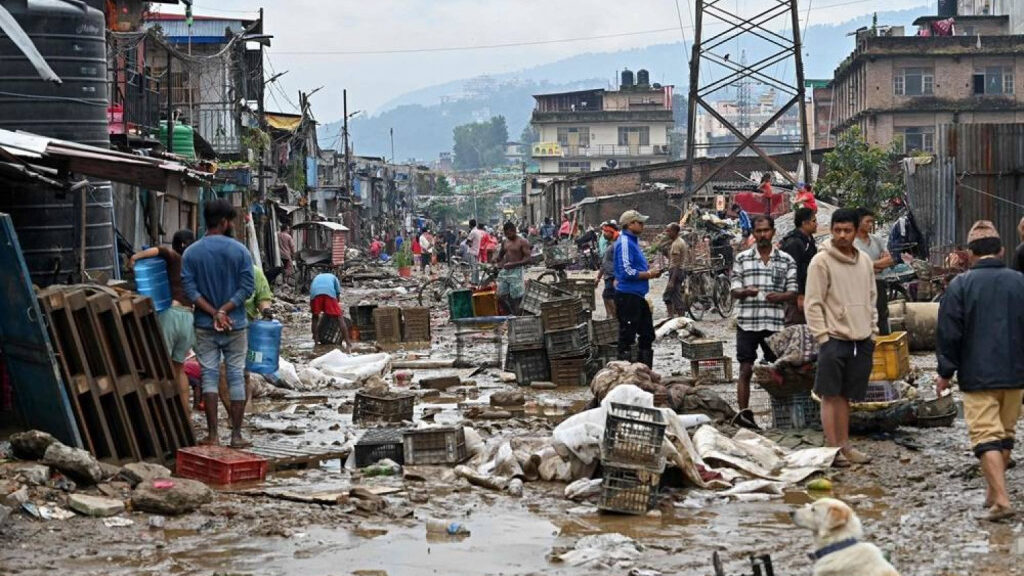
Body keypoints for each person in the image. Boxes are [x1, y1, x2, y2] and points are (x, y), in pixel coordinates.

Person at [936, 220, 1024, 522]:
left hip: (978, 376)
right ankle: (991, 491)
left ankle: (1001, 500)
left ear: (970, 254)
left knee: (986, 436)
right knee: (1006, 434)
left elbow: (949, 333)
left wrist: (945, 372)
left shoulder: (960, 286)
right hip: (1015, 375)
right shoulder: (1020, 282)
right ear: (1001, 250)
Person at [805, 208, 877, 467]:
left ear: (856, 230)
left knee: (846, 395)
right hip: (833, 338)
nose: (842, 235)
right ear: (831, 230)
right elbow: (813, 303)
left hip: (861, 339)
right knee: (829, 394)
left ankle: (845, 445)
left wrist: (873, 332)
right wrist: (823, 337)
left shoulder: (865, 261)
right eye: (837, 230)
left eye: (847, 230)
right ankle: (832, 448)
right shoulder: (820, 261)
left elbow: (872, 299)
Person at [182, 199, 255, 447]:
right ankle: (236, 435)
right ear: (224, 223)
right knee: (236, 376)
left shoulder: (191, 252)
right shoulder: (241, 251)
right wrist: (225, 310)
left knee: (209, 377)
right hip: (236, 324)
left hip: (204, 324)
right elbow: (247, 288)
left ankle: (213, 435)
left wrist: (214, 312)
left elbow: (190, 291)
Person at [730, 215, 798, 412]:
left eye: (766, 230)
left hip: (775, 324)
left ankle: (783, 414)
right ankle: (743, 413)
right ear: (753, 234)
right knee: (745, 369)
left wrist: (780, 296)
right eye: (758, 231)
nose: (762, 235)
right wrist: (745, 292)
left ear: (773, 232)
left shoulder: (786, 260)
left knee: (778, 370)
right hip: (748, 322)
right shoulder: (742, 259)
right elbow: (734, 290)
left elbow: (793, 292)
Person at [129, 229, 195, 416]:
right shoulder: (195, 265)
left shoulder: (174, 257)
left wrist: (135, 257)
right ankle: (185, 413)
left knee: (159, 365)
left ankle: (159, 413)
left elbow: (159, 250)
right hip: (189, 318)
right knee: (179, 368)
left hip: (172, 315)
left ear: (180, 245)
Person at [218, 264, 274, 413]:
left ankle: (245, 411)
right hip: (220, 327)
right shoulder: (216, 270)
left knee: (245, 373)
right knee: (223, 371)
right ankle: (232, 413)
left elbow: (263, 298)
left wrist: (266, 311)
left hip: (246, 328)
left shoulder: (254, 272)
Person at [614, 210, 662, 367]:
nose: (643, 225)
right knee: (627, 336)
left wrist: (647, 269)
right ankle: (625, 371)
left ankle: (644, 371)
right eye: (640, 223)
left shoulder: (633, 242)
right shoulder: (625, 242)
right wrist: (649, 274)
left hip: (638, 295)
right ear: (630, 224)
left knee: (647, 334)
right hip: (628, 296)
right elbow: (626, 271)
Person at [854, 208, 893, 335]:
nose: (871, 225)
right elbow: (855, 265)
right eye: (868, 222)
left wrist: (868, 265)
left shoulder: (877, 240)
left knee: (882, 314)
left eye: (872, 222)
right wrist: (877, 265)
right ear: (858, 222)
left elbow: (889, 260)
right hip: (860, 285)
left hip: (879, 283)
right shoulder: (853, 243)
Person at [779, 207, 818, 325]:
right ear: (804, 223)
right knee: (794, 326)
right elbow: (793, 271)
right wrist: (799, 295)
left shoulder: (808, 241)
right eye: (814, 221)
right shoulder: (794, 243)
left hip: (807, 291)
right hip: (794, 296)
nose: (817, 224)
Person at [494, 221, 532, 315]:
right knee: (500, 295)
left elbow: (528, 259)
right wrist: (495, 260)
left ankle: (517, 316)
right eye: (506, 234)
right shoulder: (505, 242)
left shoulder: (522, 241)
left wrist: (514, 264)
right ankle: (510, 313)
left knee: (516, 297)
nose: (508, 236)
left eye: (509, 233)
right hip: (506, 271)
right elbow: (500, 255)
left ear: (514, 231)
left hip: (517, 271)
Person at [309, 272, 350, 351]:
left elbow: (312, 290)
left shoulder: (317, 277)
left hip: (314, 294)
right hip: (329, 293)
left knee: (315, 317)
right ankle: (348, 343)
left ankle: (316, 341)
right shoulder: (334, 278)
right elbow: (337, 295)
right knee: (339, 317)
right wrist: (336, 309)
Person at [662, 223, 688, 318]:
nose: (667, 233)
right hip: (678, 271)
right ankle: (672, 317)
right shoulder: (679, 241)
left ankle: (679, 318)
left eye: (668, 231)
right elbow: (673, 260)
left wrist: (672, 280)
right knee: (671, 295)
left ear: (674, 231)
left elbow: (676, 263)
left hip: (676, 272)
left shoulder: (677, 244)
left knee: (670, 296)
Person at [594, 221, 620, 318]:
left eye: (606, 231)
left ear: (611, 232)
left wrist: (618, 277)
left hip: (614, 276)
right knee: (607, 296)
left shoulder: (617, 245)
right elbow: (604, 264)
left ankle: (616, 317)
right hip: (608, 276)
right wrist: (598, 277)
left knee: (608, 296)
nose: (604, 233)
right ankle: (610, 316)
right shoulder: (610, 245)